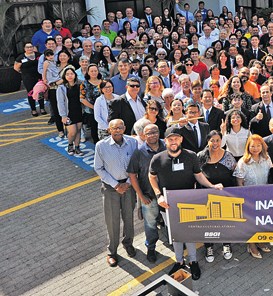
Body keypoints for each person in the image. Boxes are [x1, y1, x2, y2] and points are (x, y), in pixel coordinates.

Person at [149, 127, 222, 279]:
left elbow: (198, 175)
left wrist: (211, 186)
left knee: (189, 233)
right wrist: (158, 195)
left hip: (189, 202)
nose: (173, 141)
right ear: (166, 141)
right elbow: (152, 176)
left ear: (181, 139)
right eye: (170, 139)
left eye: (176, 138)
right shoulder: (158, 158)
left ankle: (193, 261)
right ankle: (179, 262)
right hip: (168, 204)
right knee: (176, 234)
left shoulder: (191, 156)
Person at [94, 119, 140, 267]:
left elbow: (136, 163)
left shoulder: (132, 142)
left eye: (120, 127)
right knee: (112, 221)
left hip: (128, 185)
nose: (117, 130)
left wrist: (127, 182)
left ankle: (128, 244)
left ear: (125, 128)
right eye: (114, 128)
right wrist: (116, 185)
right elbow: (99, 168)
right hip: (111, 188)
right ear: (109, 130)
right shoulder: (101, 146)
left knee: (128, 217)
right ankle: (112, 252)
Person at [127, 123, 165, 263]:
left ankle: (177, 241)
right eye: (149, 133)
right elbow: (132, 174)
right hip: (149, 195)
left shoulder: (167, 146)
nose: (152, 135)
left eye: (155, 131)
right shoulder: (139, 152)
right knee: (150, 224)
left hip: (168, 194)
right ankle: (151, 248)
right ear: (143, 135)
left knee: (171, 220)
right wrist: (141, 196)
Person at [198, 130, 237, 261]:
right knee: (208, 223)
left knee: (225, 221)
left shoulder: (228, 156)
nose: (215, 143)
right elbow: (196, 175)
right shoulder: (200, 157)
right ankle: (209, 246)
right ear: (208, 141)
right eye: (212, 140)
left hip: (225, 195)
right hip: (206, 196)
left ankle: (226, 244)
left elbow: (235, 172)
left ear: (221, 141)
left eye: (218, 140)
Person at [234, 135, 272, 258]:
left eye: (258, 145)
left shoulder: (267, 159)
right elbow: (239, 182)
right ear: (248, 147)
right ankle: (252, 245)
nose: (255, 148)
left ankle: (260, 241)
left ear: (262, 146)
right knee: (250, 223)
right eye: (252, 146)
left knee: (261, 222)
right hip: (249, 199)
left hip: (264, 197)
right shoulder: (243, 162)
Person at [57, 66, 85, 157]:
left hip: (79, 110)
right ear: (64, 76)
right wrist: (63, 116)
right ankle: (70, 145)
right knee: (72, 132)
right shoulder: (61, 88)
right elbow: (60, 102)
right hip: (68, 112)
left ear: (75, 75)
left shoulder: (80, 84)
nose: (70, 76)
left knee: (78, 130)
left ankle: (77, 147)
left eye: (71, 74)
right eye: (67, 74)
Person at [15, 42, 45, 116]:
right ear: (24, 48)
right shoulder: (21, 57)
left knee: (40, 92)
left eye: (31, 47)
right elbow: (16, 68)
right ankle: (33, 109)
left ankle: (42, 108)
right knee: (31, 93)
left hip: (39, 77)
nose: (29, 48)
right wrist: (24, 73)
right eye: (27, 47)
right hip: (28, 78)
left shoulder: (39, 55)